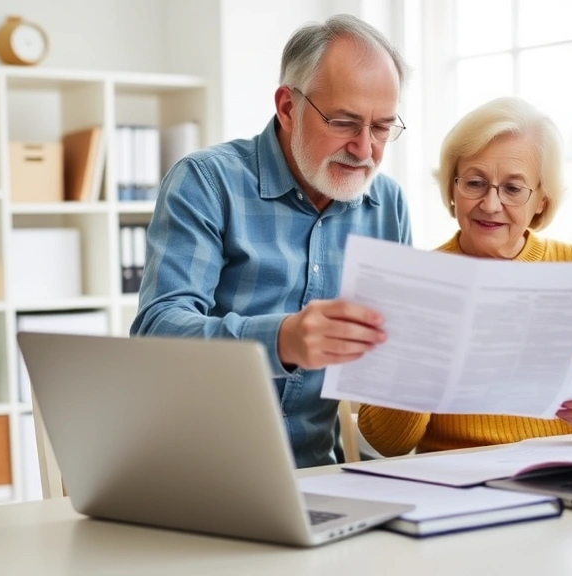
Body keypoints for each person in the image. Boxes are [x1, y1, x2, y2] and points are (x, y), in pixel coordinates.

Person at [130, 14, 412, 468]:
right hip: (198, 474)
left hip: (321, 477)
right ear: (287, 107)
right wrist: (283, 340)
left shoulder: (387, 204)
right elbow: (157, 333)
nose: (364, 149)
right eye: (344, 122)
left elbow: (391, 361)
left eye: (381, 128)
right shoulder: (206, 182)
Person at [358, 97, 572, 456]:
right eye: (475, 183)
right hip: (456, 485)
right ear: (452, 189)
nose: (491, 205)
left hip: (570, 472)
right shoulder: (416, 282)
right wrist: (421, 363)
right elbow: (386, 442)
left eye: (512, 189)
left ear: (541, 199)